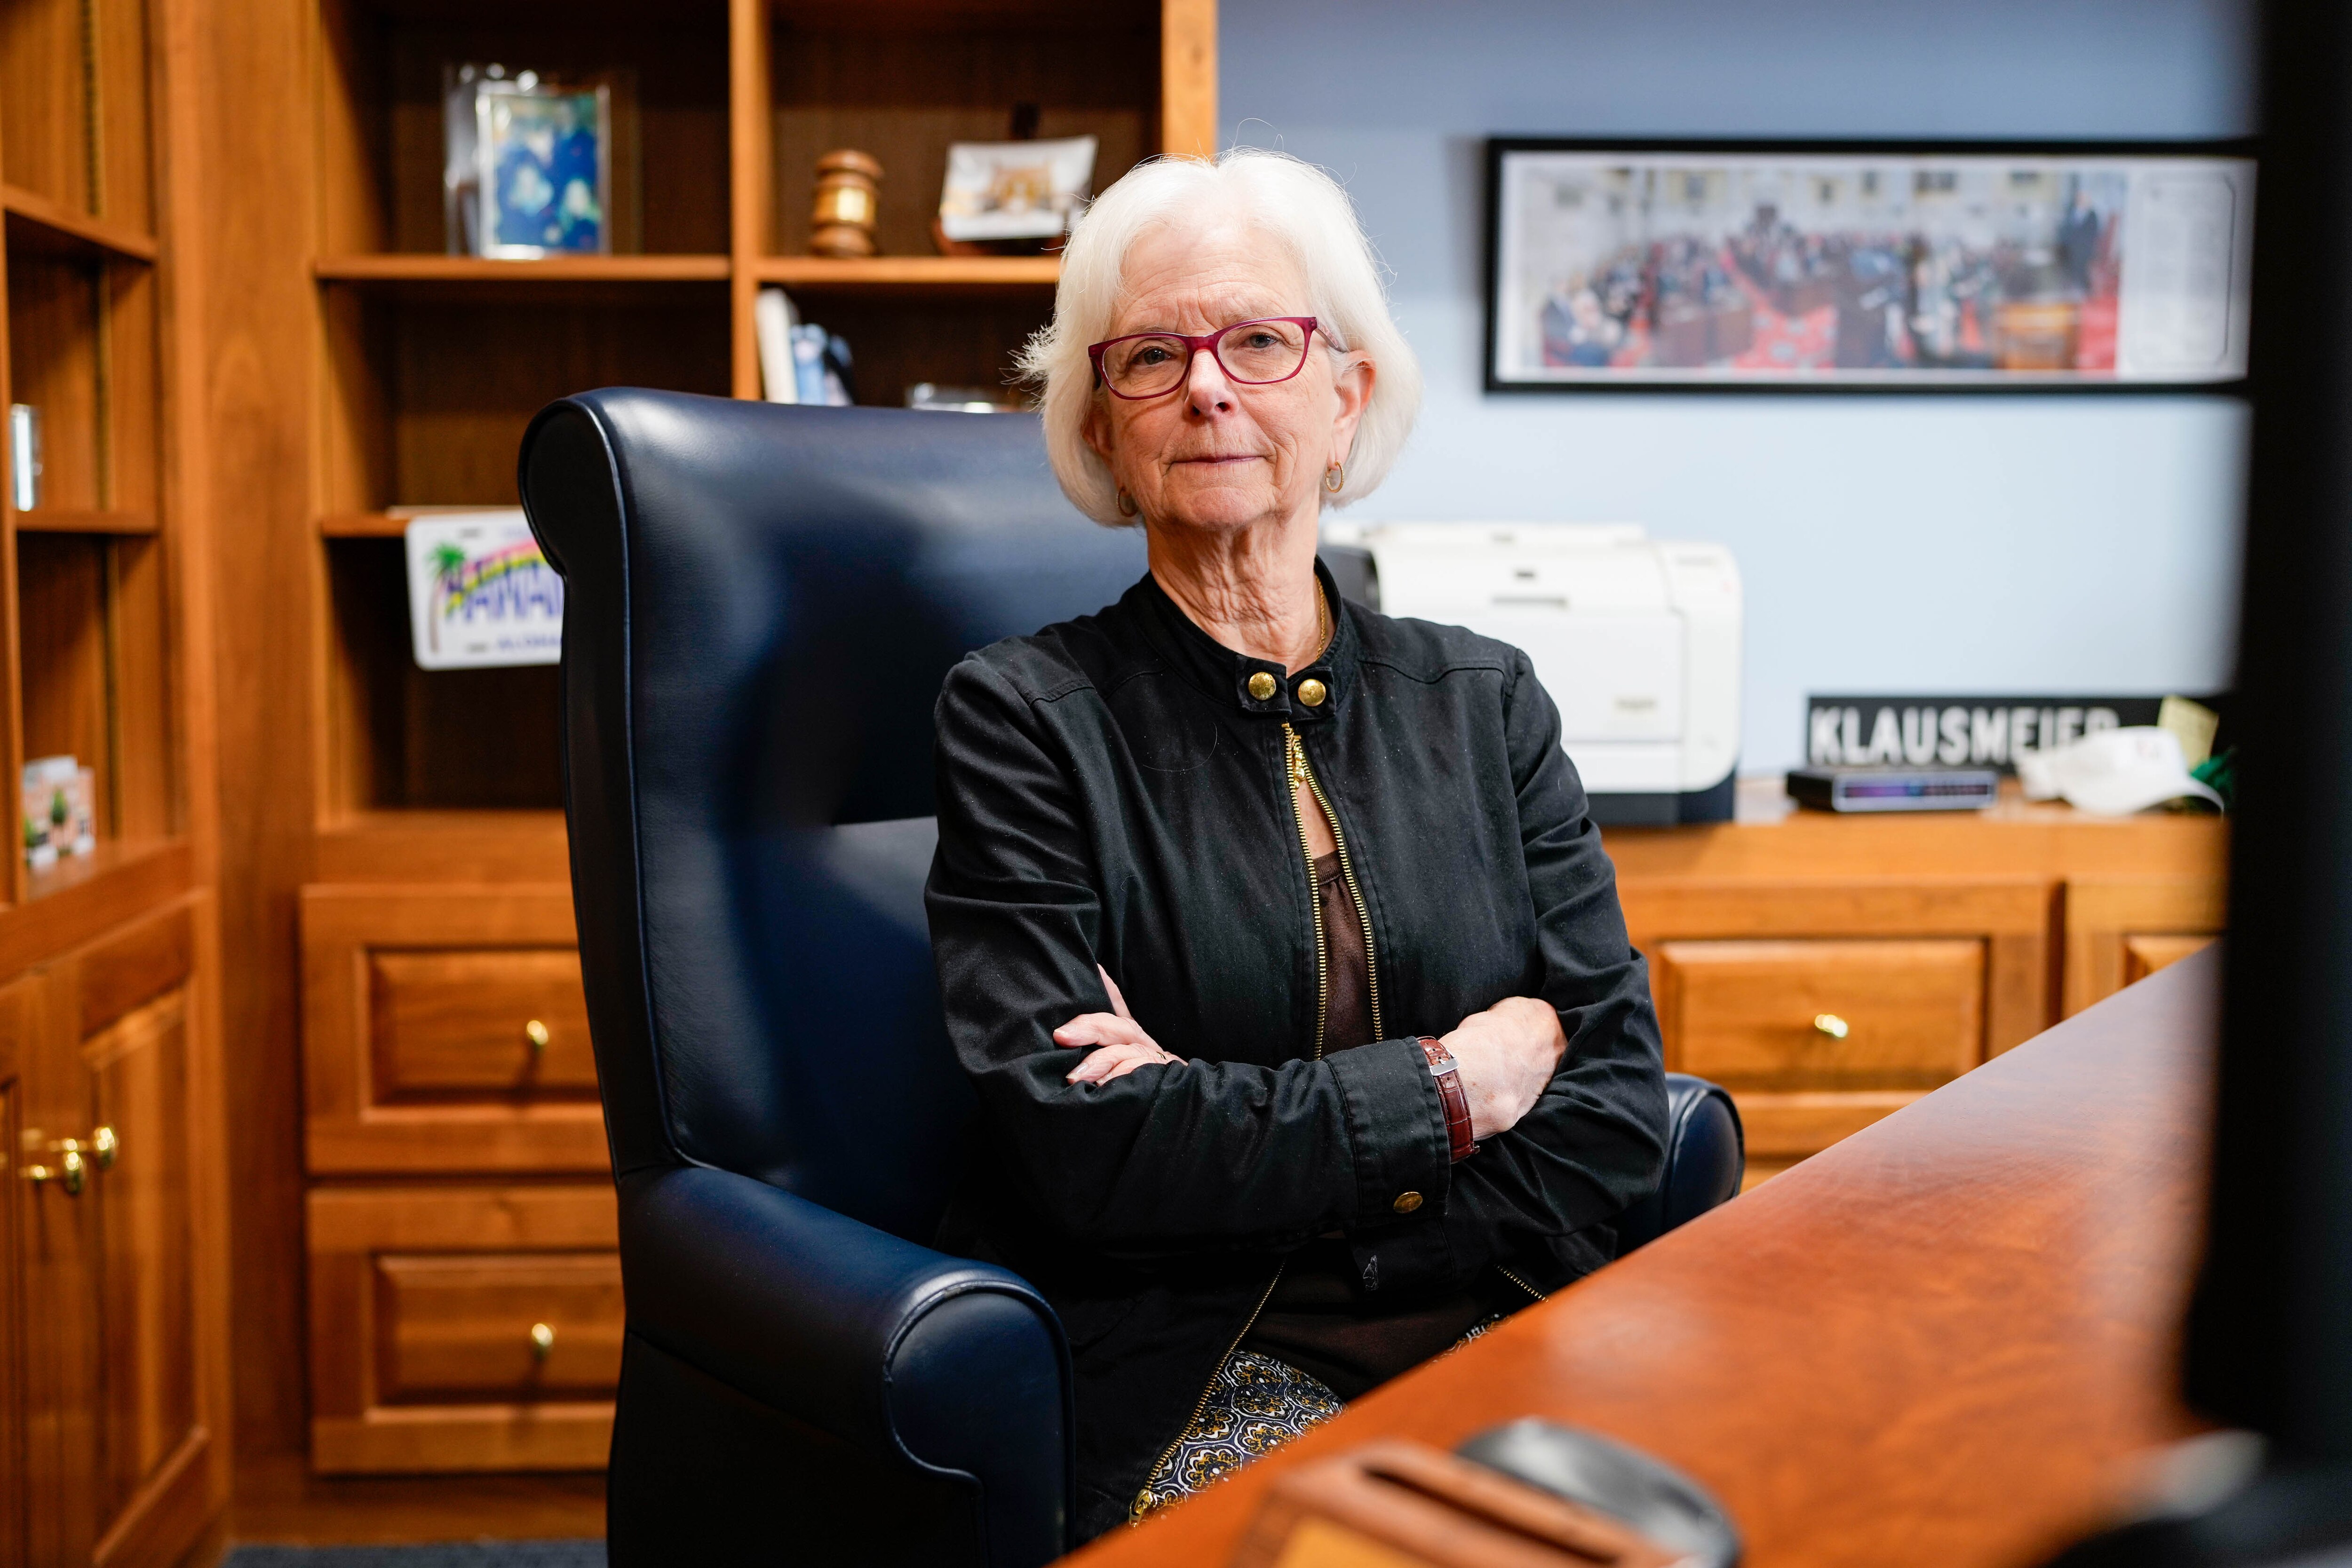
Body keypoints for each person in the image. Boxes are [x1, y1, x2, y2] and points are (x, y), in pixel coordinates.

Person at [923, 148, 1668, 1542]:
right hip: (1218, 1359)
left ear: (1347, 395)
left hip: (1521, 1315)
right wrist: (1457, 1085)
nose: (1207, 386)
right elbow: (1087, 1157)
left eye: (1259, 341)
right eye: (1151, 355)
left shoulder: (1486, 700)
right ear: (1097, 424)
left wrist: (1246, 1139)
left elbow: (1618, 1106)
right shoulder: (1024, 719)